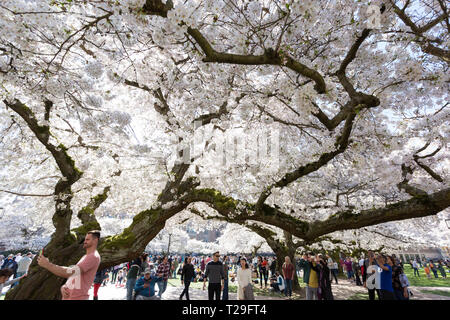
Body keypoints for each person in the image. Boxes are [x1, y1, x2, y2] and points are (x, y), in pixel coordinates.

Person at [37, 230, 101, 300]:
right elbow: (75, 275)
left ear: (95, 240)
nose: (84, 241)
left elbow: (71, 272)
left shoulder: (93, 257)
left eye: (88, 239)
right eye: (85, 239)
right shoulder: (86, 256)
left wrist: (47, 265)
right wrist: (65, 286)